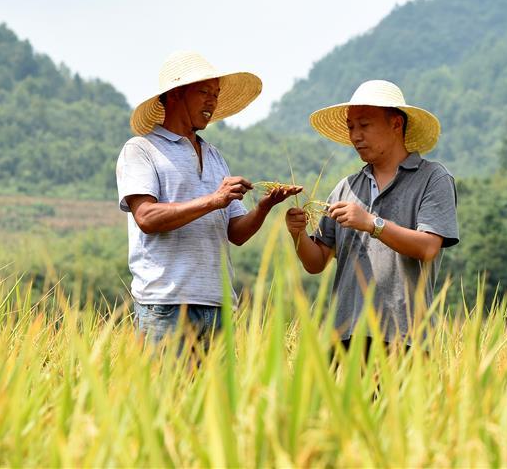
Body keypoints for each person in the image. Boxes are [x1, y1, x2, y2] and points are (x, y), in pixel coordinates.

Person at [117, 51, 301, 353]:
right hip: (166, 305)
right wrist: (213, 200)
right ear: (175, 94)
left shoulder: (214, 156)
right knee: (167, 399)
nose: (212, 102)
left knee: (217, 401)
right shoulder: (141, 149)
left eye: (215, 95)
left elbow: (236, 233)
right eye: (204, 92)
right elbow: (147, 217)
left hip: (218, 305)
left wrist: (264, 207)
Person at [285, 80, 458, 351]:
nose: (355, 136)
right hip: (345, 339)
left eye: (364, 126)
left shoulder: (432, 178)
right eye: (351, 127)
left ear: (396, 124)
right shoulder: (346, 187)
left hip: (405, 338)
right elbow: (316, 262)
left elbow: (428, 247)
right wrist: (297, 233)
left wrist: (371, 223)